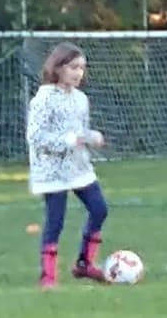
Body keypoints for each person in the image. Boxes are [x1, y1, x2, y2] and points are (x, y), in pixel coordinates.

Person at [26, 42, 109, 289]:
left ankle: (84, 263)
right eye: (73, 67)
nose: (78, 73)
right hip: (52, 171)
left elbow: (78, 131)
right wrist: (69, 141)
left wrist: (91, 136)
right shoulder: (44, 99)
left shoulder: (81, 99)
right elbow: (36, 137)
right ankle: (48, 277)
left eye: (82, 68)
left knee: (99, 209)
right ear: (58, 67)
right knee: (56, 220)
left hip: (78, 168)